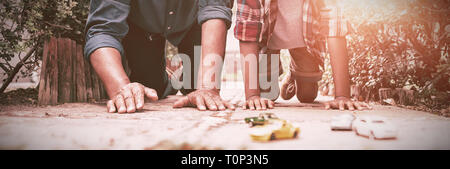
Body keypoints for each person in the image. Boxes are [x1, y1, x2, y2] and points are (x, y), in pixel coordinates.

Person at [85, 0, 235, 113]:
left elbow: (216, 9)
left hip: (194, 24)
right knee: (151, 88)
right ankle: (169, 77)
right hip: (143, 28)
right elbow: (102, 30)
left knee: (195, 87)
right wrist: (121, 86)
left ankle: (184, 75)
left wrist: (208, 87)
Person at [235, 0, 372, 110]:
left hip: (304, 44)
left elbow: (334, 26)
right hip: (268, 44)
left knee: (307, 95)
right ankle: (275, 65)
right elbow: (247, 29)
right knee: (267, 95)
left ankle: (293, 72)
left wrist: (342, 96)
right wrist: (252, 96)